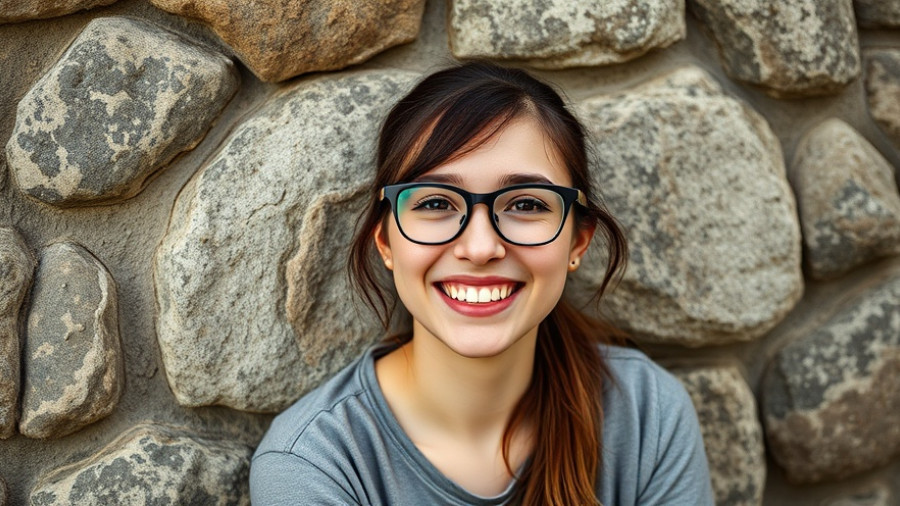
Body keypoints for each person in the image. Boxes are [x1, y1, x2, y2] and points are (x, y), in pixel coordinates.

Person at [250, 61, 713, 505]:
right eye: (434, 203)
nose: (480, 247)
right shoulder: (313, 463)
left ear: (578, 242)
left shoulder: (647, 413)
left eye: (527, 204)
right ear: (386, 242)